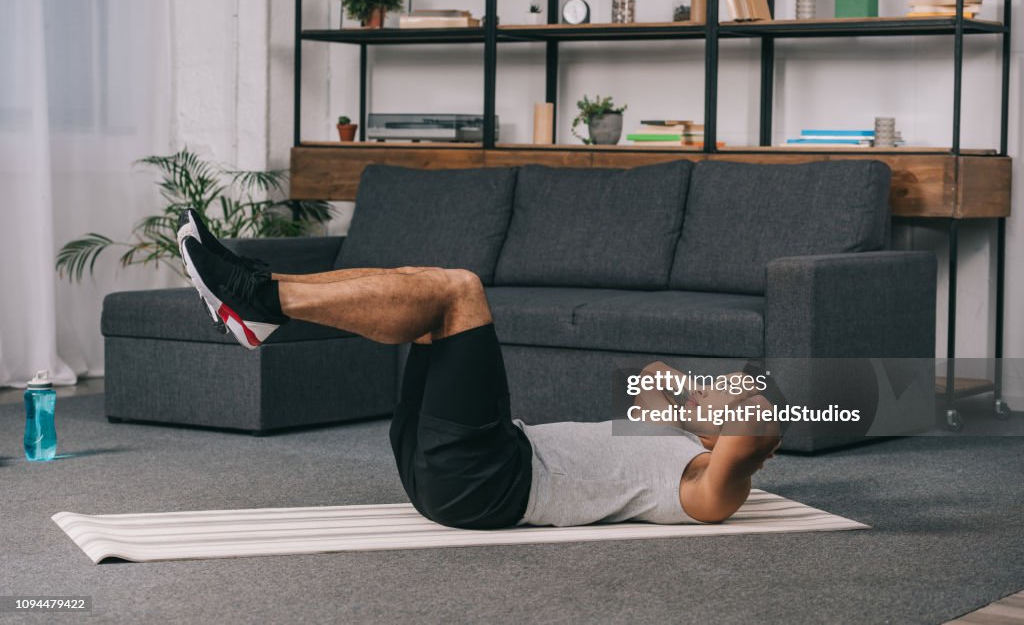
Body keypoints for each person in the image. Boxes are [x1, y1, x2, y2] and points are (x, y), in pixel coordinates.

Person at [176, 209, 782, 530]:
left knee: (460, 289)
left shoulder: (710, 488)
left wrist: (734, 404)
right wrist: (707, 396)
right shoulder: (672, 434)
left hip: (489, 481)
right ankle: (262, 294)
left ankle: (262, 299)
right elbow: (653, 375)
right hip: (463, 470)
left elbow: (750, 430)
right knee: (425, 295)